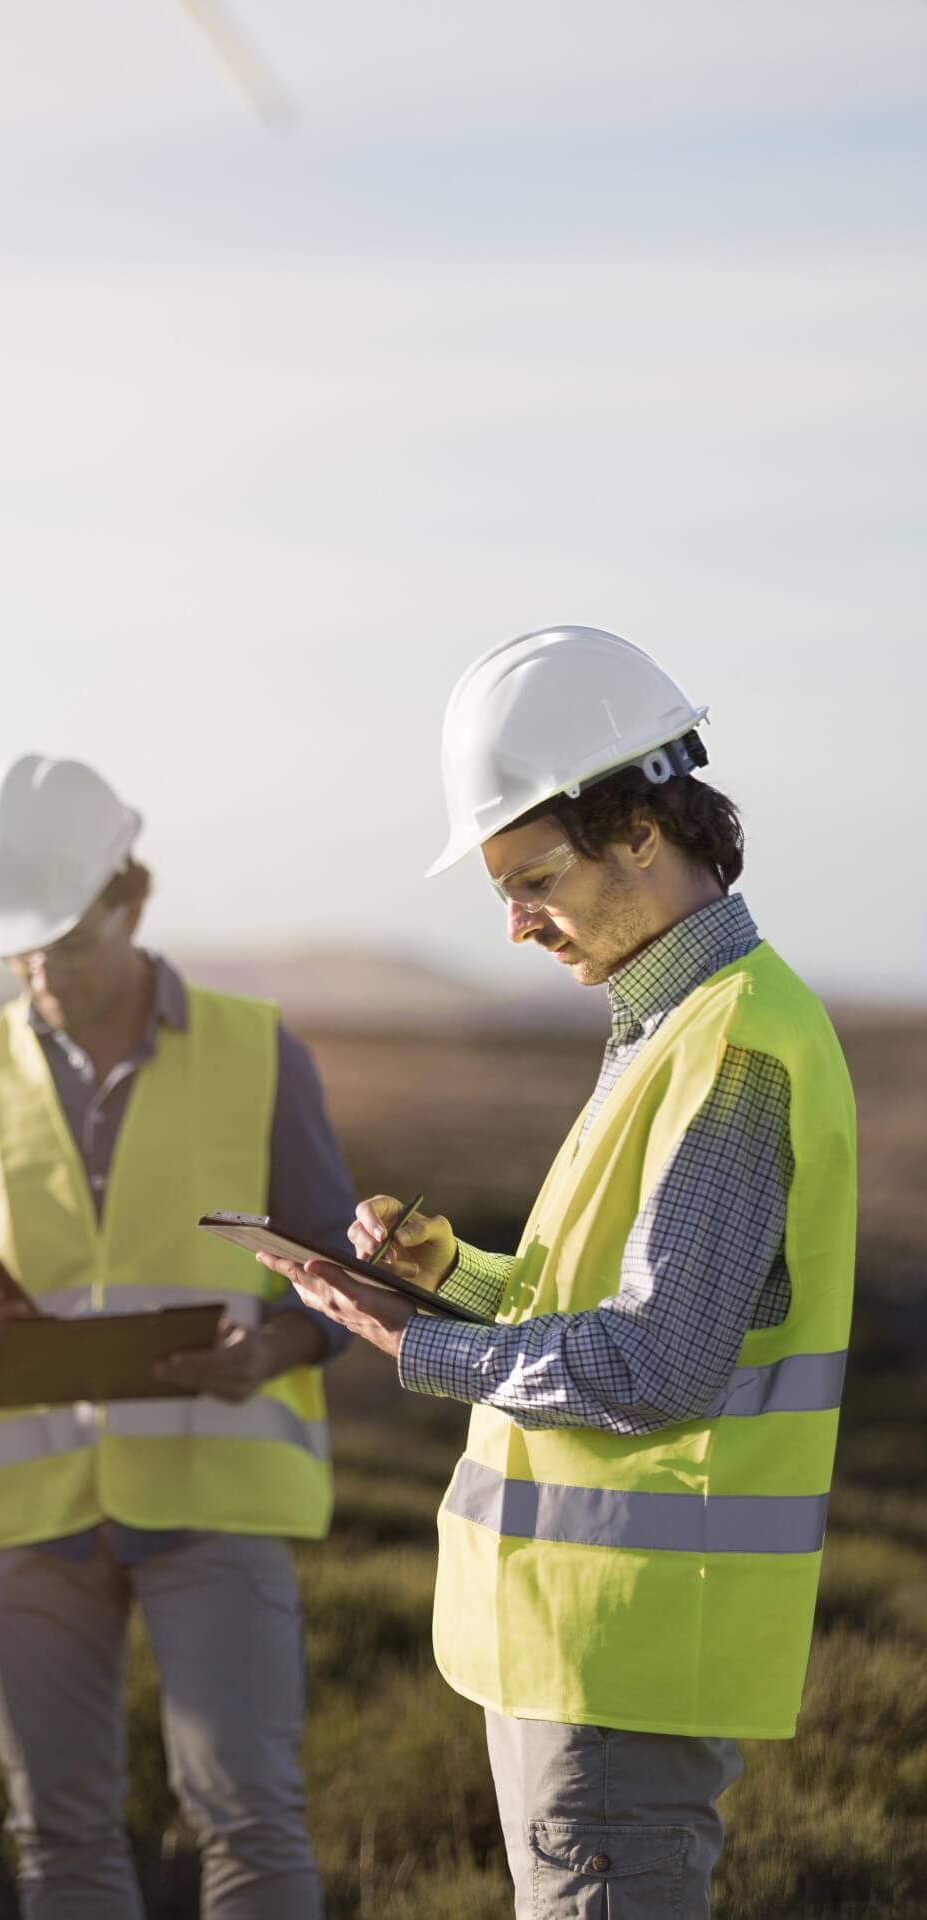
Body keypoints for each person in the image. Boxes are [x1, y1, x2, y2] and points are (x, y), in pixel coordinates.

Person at [258, 626, 856, 1919]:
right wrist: (454, 1278)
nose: (520, 924)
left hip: (622, 1656)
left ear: (641, 827)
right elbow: (625, 1316)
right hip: (577, 1646)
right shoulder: (671, 1030)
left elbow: (657, 1367)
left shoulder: (732, 1048)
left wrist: (412, 1347)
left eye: (534, 879)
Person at [0, 753, 353, 1920]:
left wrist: (271, 1352)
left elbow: (337, 1276)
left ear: (129, 902)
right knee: (58, 1837)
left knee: (248, 1818)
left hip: (214, 1497)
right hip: (26, 1514)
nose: (43, 974)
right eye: (17, 951)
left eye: (69, 944)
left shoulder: (257, 1050)